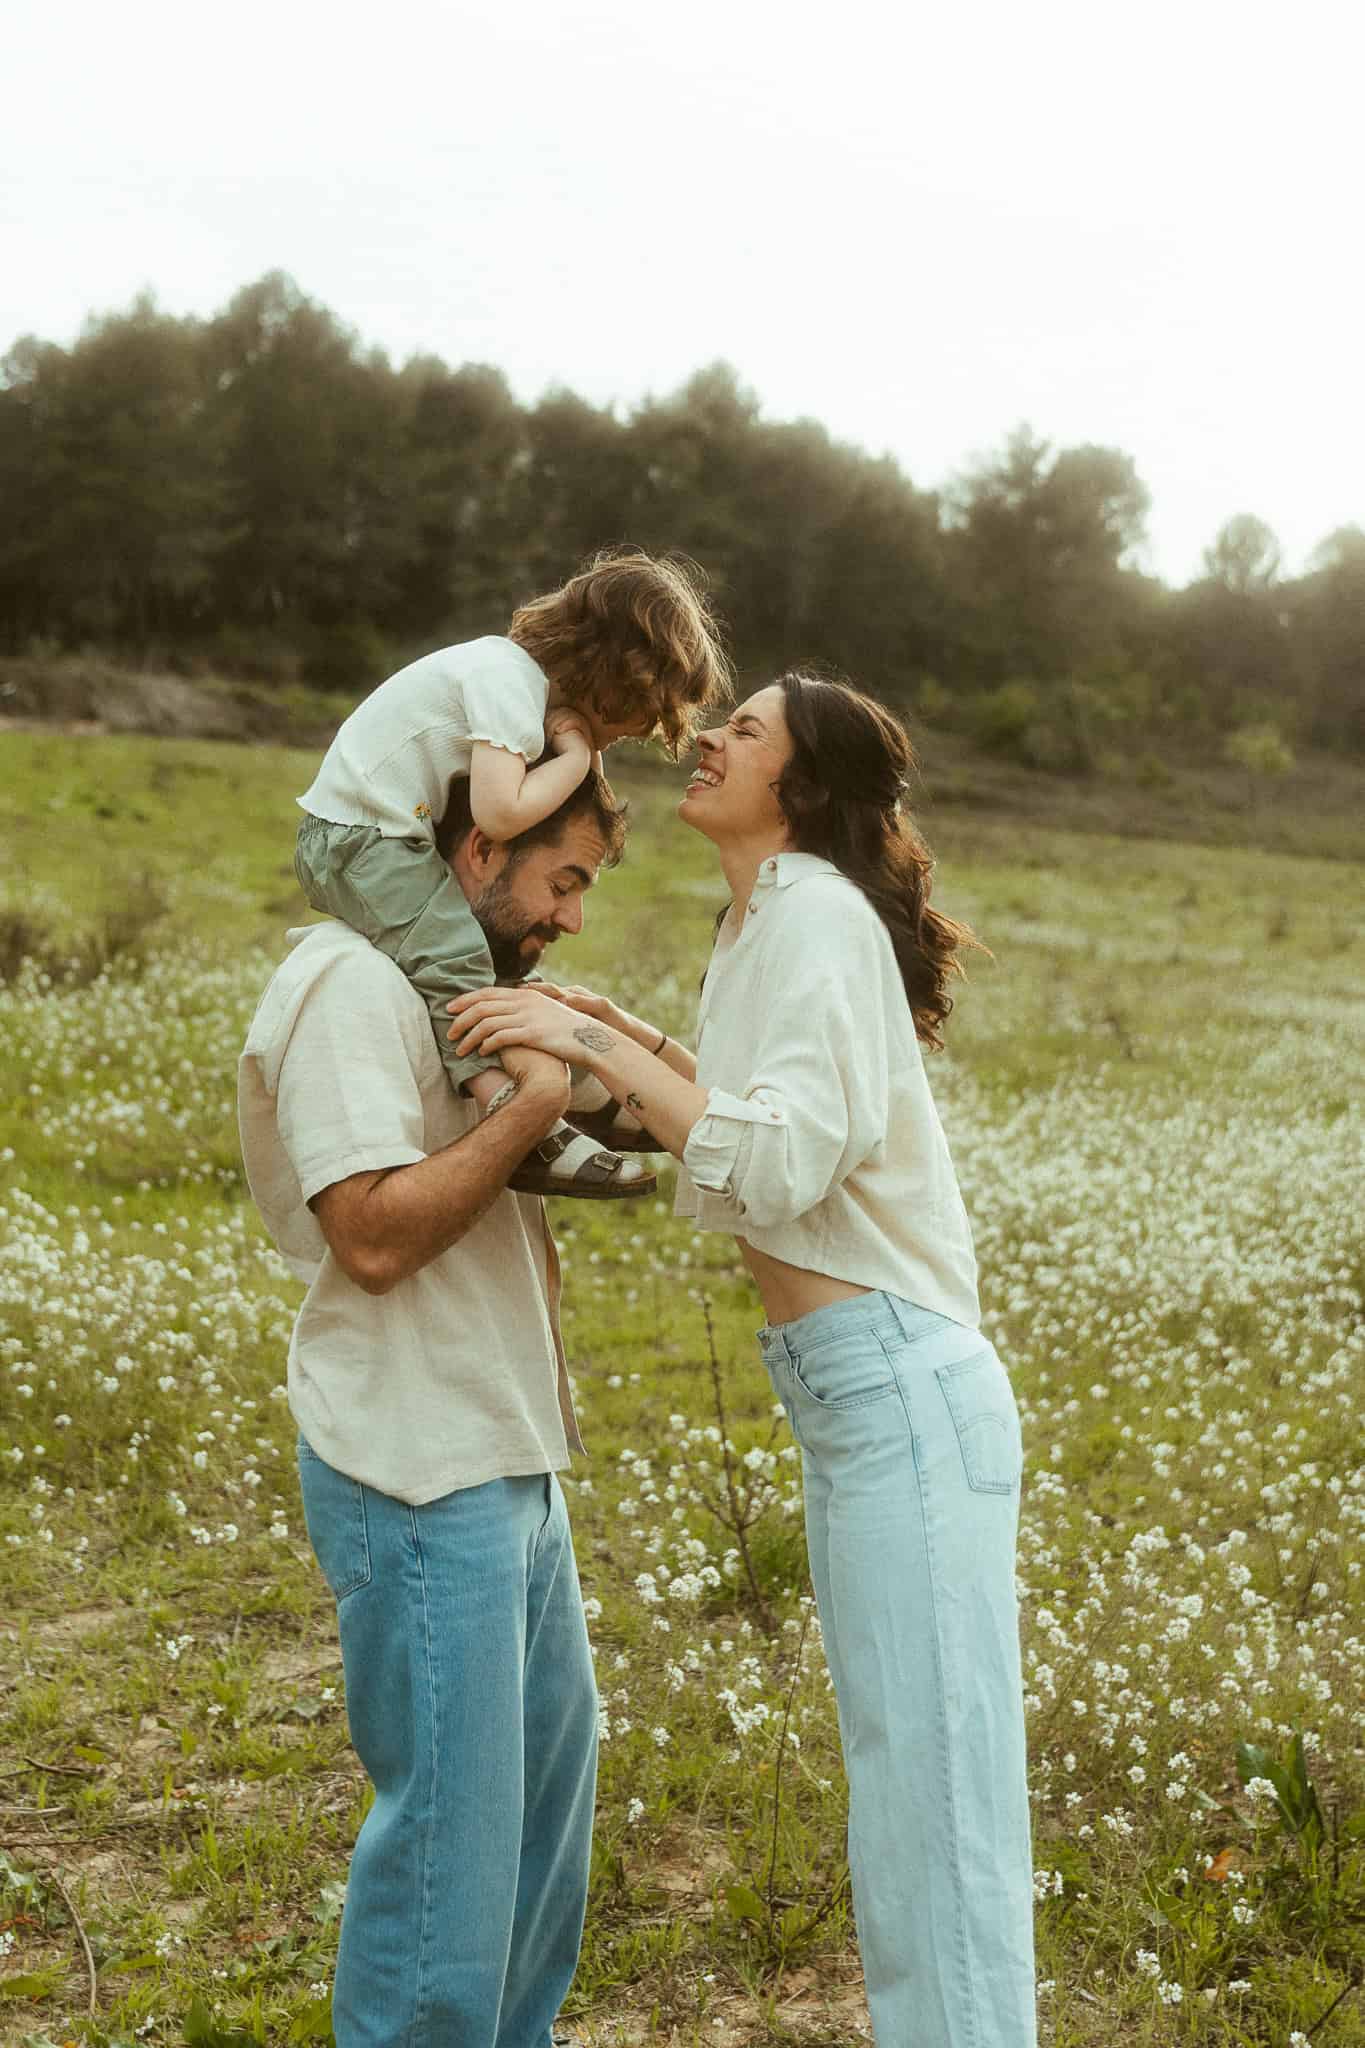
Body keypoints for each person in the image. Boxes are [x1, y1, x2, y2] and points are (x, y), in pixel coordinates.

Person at [449, 674, 1038, 2047]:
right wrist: (630, 1042)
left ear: (803, 786)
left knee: (936, 1805)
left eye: (749, 729)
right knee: (908, 1782)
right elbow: (740, 1115)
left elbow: (774, 1163)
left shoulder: (818, 916)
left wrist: (589, 1039)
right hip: (855, 1390)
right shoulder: (764, 918)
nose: (709, 737)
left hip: (900, 1382)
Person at [237, 767, 630, 2048]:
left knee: (535, 1842)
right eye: (563, 879)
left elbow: (644, 1124)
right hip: (414, 1461)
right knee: (447, 1874)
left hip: (503, 1448)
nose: (572, 915)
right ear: (477, 851)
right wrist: (534, 1104)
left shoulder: (452, 987)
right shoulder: (349, 985)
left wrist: (590, 1043)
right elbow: (369, 1235)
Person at [293, 549, 730, 1199]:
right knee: (453, 956)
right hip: (355, 842)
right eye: (632, 717)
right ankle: (521, 1118)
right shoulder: (506, 682)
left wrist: (584, 759)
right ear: (614, 671)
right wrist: (575, 757)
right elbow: (499, 814)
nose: (626, 736)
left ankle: (584, 1094)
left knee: (475, 953)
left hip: (364, 836)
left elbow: (576, 806)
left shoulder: (516, 687)